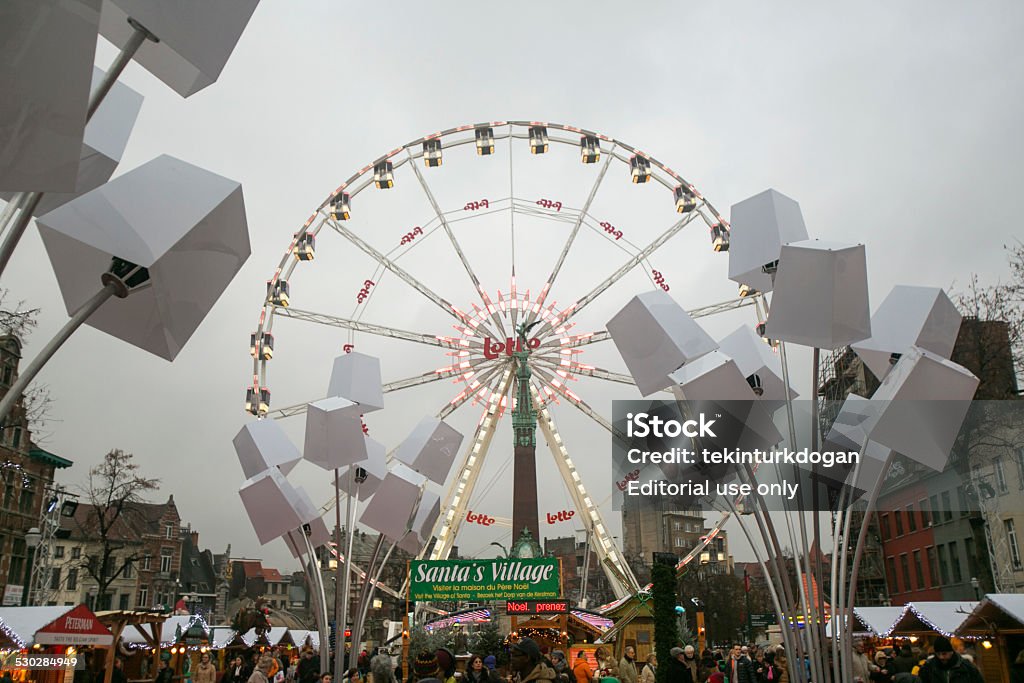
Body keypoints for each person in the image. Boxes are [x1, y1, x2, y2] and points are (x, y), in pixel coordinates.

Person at [917, 637, 983, 683]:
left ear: (951, 652)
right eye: (938, 654)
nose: (941, 657)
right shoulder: (928, 668)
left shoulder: (967, 667)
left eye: (944, 653)